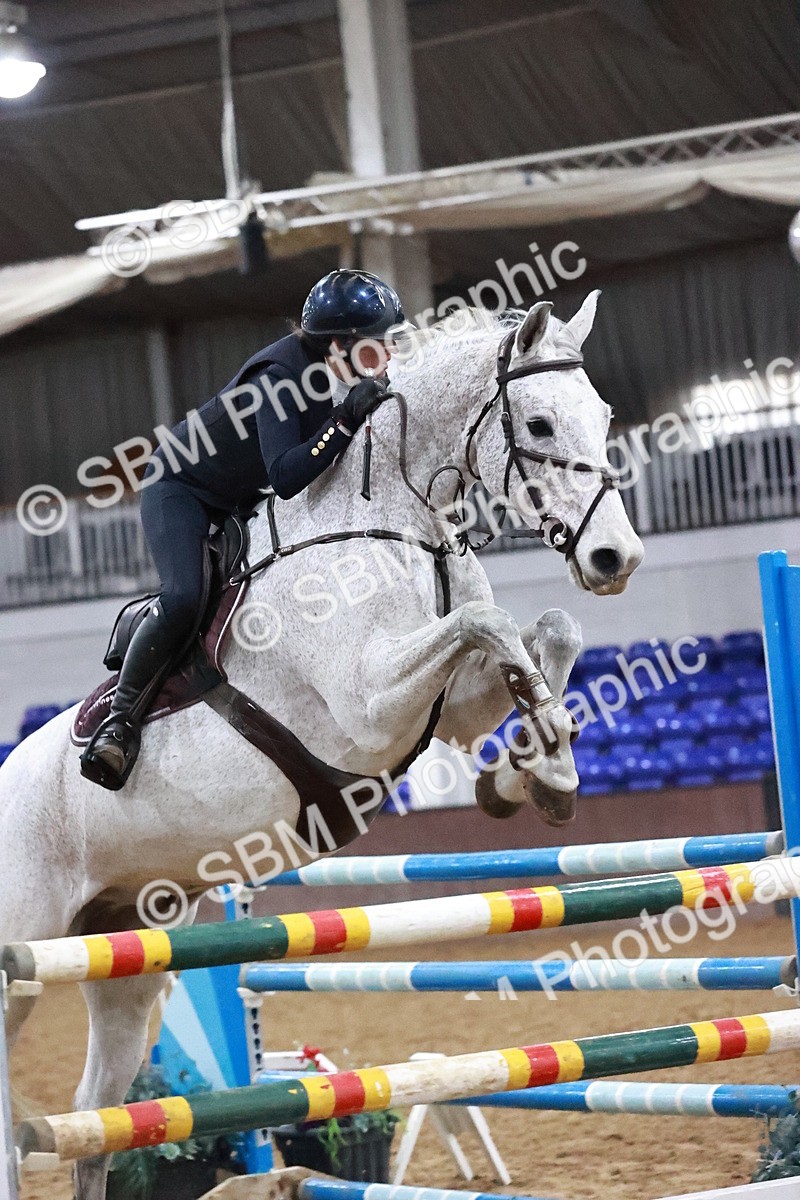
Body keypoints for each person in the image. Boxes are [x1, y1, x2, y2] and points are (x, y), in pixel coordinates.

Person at [80, 268, 406, 791]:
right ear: (341, 344)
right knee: (185, 596)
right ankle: (119, 722)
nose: (388, 356)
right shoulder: (279, 377)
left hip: (237, 493)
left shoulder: (330, 372)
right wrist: (345, 421)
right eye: (378, 344)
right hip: (181, 488)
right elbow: (286, 477)